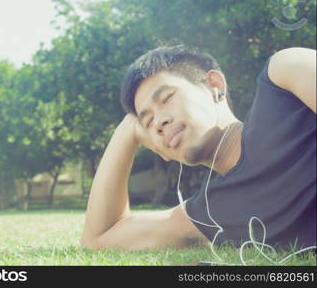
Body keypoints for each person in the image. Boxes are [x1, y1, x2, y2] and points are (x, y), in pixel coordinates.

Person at [80, 45, 316, 253]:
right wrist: (127, 130)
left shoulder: (283, 79)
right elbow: (98, 238)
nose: (159, 123)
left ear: (214, 85)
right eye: (149, 122)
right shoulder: (210, 214)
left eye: (167, 98)